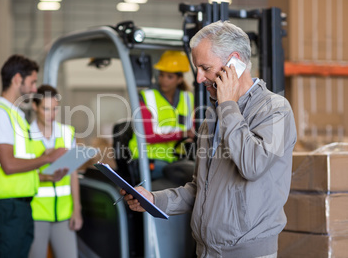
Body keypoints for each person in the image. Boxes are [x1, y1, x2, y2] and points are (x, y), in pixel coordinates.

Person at [123, 21, 297, 257]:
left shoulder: (275, 110)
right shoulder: (213, 117)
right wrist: (154, 199)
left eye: (205, 67)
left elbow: (252, 165)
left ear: (234, 62)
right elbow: (202, 189)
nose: (198, 78)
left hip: (247, 252)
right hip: (207, 250)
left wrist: (228, 105)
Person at [0, 54, 68, 258]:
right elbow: (9, 165)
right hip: (8, 206)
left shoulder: (15, 115)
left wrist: (46, 173)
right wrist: (48, 158)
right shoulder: (0, 114)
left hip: (19, 205)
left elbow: (22, 162)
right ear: (17, 79)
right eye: (32, 82)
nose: (35, 88)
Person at [29, 85, 83, 258]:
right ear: (35, 107)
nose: (51, 114)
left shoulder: (67, 133)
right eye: (46, 109)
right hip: (35, 213)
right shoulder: (26, 136)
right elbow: (21, 175)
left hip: (64, 214)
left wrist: (77, 209)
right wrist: (45, 176)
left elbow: (73, 173)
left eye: (54, 109)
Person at [128, 50, 194, 180]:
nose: (164, 80)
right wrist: (183, 134)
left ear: (179, 79)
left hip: (175, 158)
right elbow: (148, 136)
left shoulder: (188, 98)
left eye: (169, 77)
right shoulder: (147, 97)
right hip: (148, 159)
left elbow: (192, 128)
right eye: (161, 75)